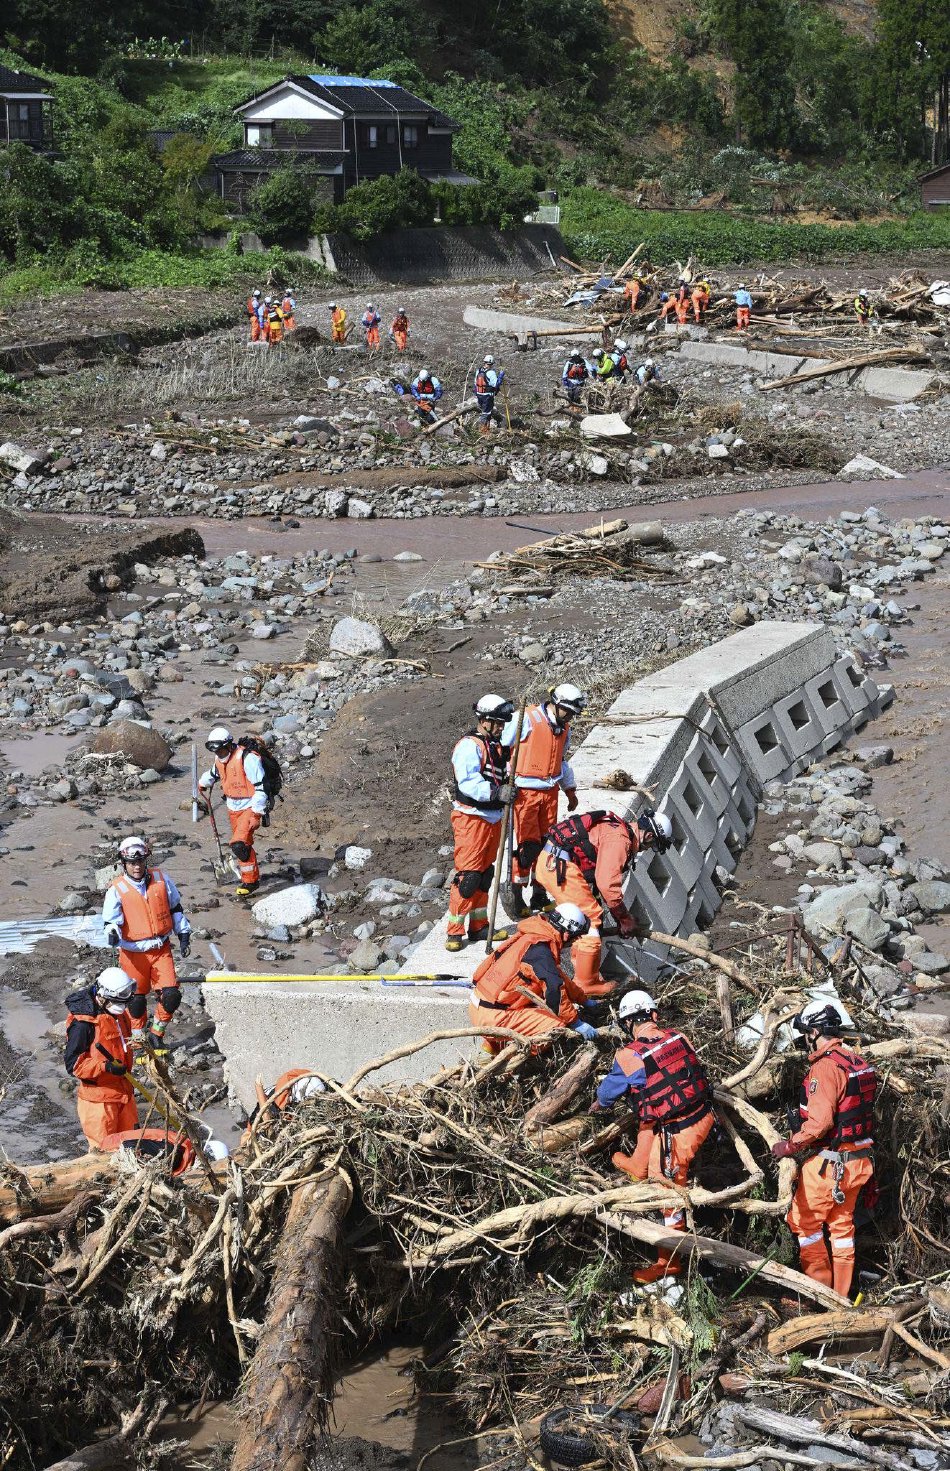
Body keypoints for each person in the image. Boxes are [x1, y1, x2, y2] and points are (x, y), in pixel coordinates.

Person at [590, 990, 714, 1283]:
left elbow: (608, 1093)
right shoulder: (679, 1037)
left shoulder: (628, 1054)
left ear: (627, 1023)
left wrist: (598, 1104)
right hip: (704, 1115)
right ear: (654, 1015)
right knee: (648, 1104)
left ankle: (669, 1262)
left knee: (667, 1193)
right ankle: (637, 1164)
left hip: (679, 1132)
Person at [771, 1000, 877, 1297]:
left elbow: (819, 1124)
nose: (805, 1039)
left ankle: (820, 1295)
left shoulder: (825, 1068)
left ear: (815, 1031)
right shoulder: (856, 1062)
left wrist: (789, 1146)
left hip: (830, 1166)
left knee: (805, 1224)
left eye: (806, 1033)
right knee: (842, 1228)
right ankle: (841, 1297)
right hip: (859, 1162)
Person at [533, 807, 673, 999]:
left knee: (583, 918)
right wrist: (624, 918)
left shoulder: (616, 828)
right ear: (649, 835)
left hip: (553, 863)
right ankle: (586, 983)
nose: (646, 849)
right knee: (590, 922)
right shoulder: (620, 840)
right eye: (651, 845)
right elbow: (607, 884)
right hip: (559, 867)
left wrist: (618, 916)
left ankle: (585, 972)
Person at [469, 904, 598, 1057]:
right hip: (494, 1017)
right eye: (575, 937)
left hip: (479, 1006)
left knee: (537, 1001)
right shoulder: (540, 953)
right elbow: (554, 991)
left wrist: (583, 1000)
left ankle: (491, 1047)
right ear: (566, 933)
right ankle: (514, 1059)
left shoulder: (533, 937)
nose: (572, 943)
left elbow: (558, 978)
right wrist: (575, 1022)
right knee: (557, 1025)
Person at [102, 836, 191, 1056]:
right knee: (136, 1001)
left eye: (140, 861)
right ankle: (139, 1040)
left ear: (145, 860)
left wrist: (184, 933)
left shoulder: (161, 880)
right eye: (132, 862)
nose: (136, 866)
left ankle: (156, 1033)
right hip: (133, 953)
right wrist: (111, 931)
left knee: (171, 995)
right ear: (124, 863)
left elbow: (175, 908)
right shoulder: (117, 889)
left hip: (160, 948)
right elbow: (110, 920)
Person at [502, 685, 583, 918]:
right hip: (525, 792)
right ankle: (516, 895)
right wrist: (504, 783)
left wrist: (570, 790)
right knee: (527, 847)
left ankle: (540, 892)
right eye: (566, 711)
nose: (569, 717)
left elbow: (562, 761)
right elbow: (502, 749)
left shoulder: (563, 728)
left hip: (550, 792)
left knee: (549, 845)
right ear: (556, 704)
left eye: (572, 714)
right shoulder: (526, 718)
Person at [447, 693, 513, 952]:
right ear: (483, 720)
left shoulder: (495, 746)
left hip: (493, 818)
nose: (500, 728)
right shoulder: (468, 747)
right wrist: (497, 793)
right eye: (496, 723)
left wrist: (508, 788)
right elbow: (469, 783)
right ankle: (454, 931)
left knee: (485, 875)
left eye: (502, 724)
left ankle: (479, 926)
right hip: (471, 818)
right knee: (469, 876)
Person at [65, 967, 138, 1151]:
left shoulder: (119, 1014)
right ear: (102, 995)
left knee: (132, 1149)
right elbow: (73, 1065)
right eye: (115, 1002)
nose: (120, 1008)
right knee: (103, 1153)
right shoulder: (83, 1025)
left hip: (124, 1094)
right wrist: (105, 1067)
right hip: (99, 1102)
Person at [198, 727, 270, 896]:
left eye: (222, 750)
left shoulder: (248, 758)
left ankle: (251, 882)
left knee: (238, 844)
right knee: (245, 844)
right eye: (215, 751)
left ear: (230, 745)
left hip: (250, 806)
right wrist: (203, 783)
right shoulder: (219, 758)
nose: (219, 754)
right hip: (233, 807)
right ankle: (250, 876)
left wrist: (257, 813)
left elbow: (261, 787)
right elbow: (214, 773)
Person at [474, 354, 505, 434]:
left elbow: (475, 383)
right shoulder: (491, 372)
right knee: (486, 412)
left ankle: (486, 428)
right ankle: (482, 430)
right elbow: (496, 384)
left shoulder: (478, 370)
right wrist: (501, 376)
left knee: (484, 411)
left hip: (479, 394)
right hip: (487, 396)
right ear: (491, 364)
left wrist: (476, 393)